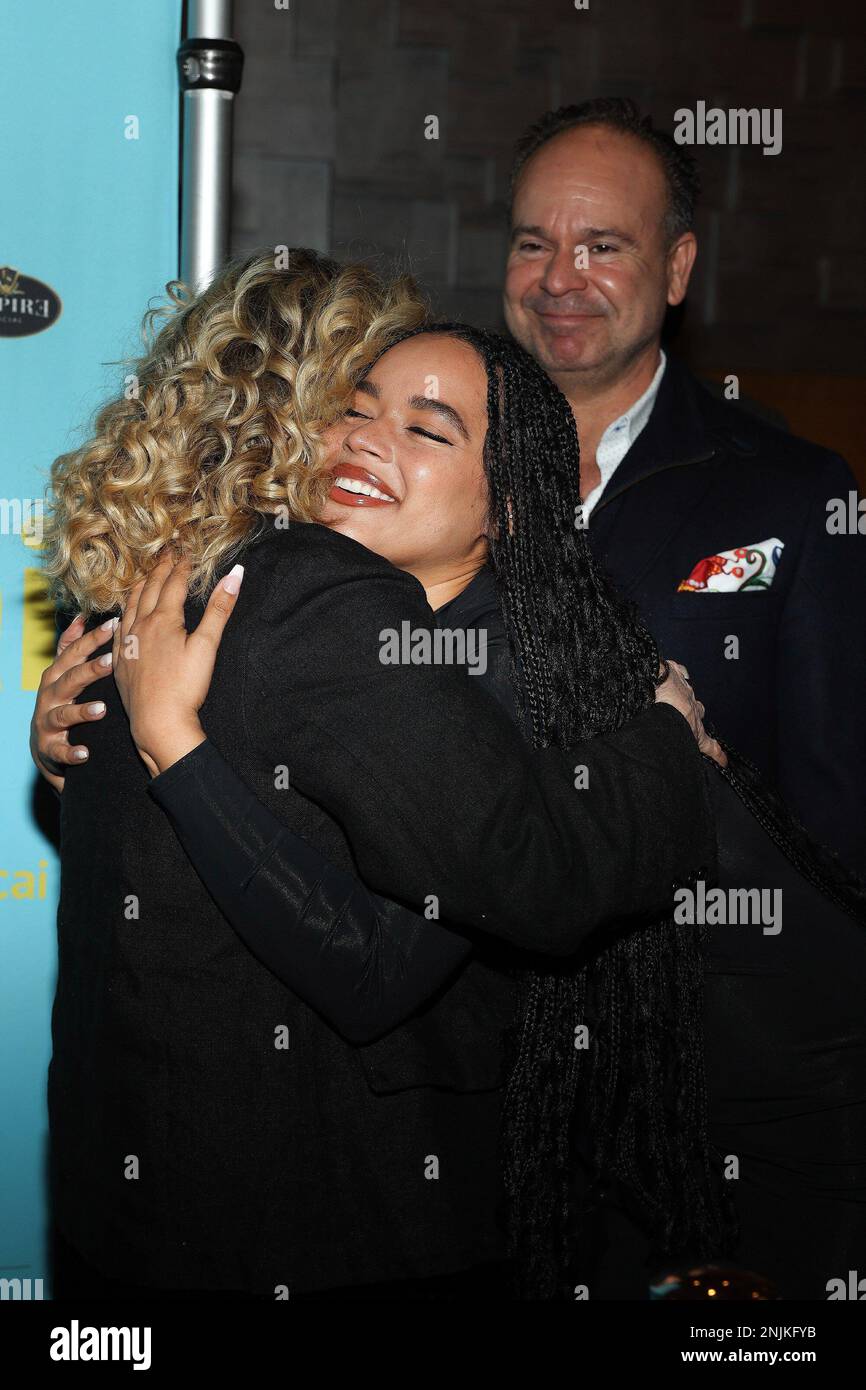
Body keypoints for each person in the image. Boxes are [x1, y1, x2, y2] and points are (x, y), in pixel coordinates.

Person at [37, 308, 866, 1300]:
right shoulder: (301, 610)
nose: (365, 438)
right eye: (352, 408)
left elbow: (376, 968)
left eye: (427, 430)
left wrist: (175, 746)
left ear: (505, 507)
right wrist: (73, 737)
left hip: (447, 1224)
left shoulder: (526, 682)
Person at [502, 97, 866, 873]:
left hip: (697, 966)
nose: (561, 277)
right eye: (535, 243)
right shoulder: (423, 466)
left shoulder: (797, 496)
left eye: (602, 246)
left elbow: (835, 816)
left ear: (676, 268)